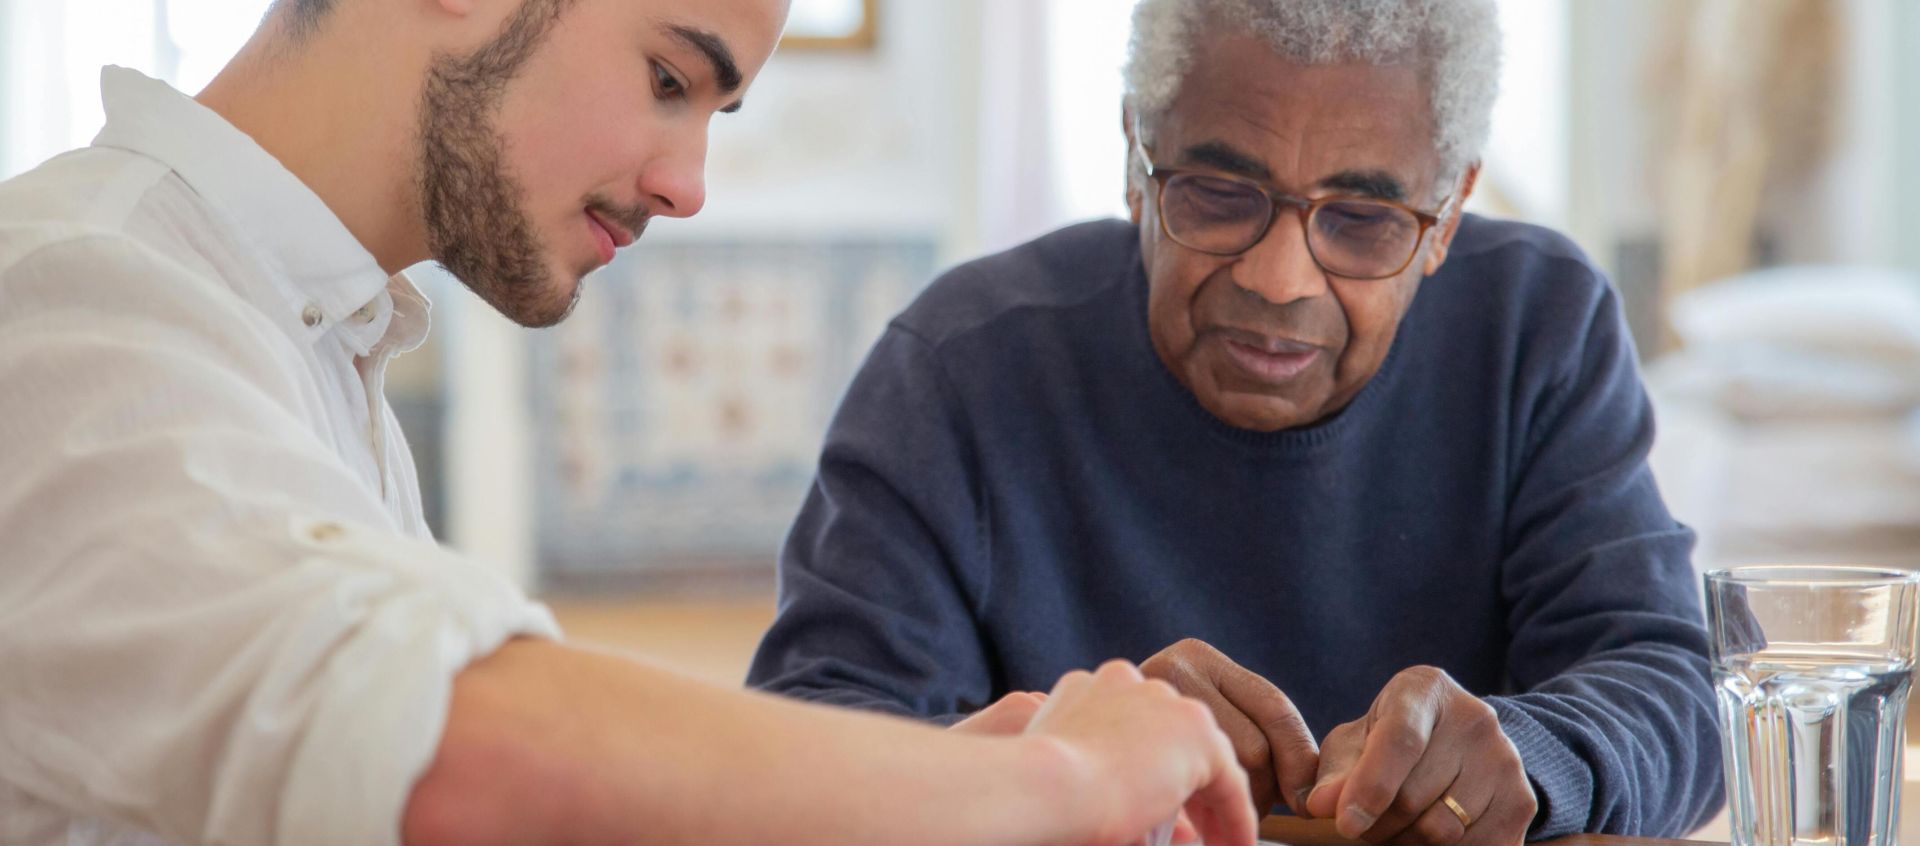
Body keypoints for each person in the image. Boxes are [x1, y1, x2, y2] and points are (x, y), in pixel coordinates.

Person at [0, 1, 1260, 844]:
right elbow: (441, 746)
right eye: (668, 78)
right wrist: (1042, 786)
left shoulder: (307, 338)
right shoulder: (67, 292)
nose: (688, 183)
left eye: (710, 113)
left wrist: (922, 784)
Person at [748, 0, 1724, 844]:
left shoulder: (1536, 328)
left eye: (1364, 219)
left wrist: (1532, 749)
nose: (1279, 279)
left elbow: (1675, 688)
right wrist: (1074, 752)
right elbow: (807, 758)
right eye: (1218, 196)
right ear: (1136, 158)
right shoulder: (958, 369)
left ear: (1450, 211)